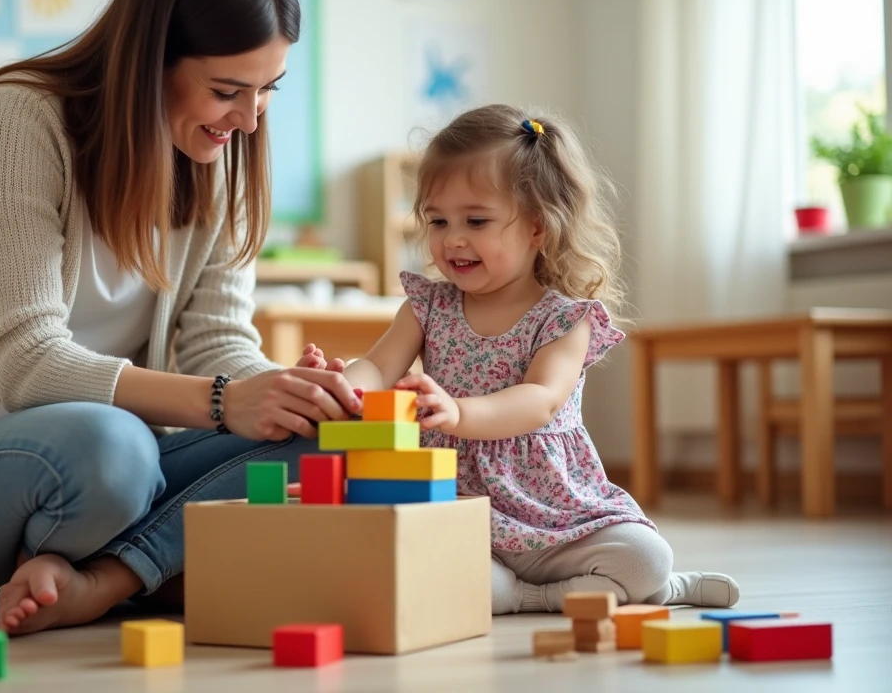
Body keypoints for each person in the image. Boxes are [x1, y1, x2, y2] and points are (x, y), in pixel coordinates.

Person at [0, 0, 360, 635]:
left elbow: (218, 342)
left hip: (130, 471)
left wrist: (283, 394)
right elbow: (27, 363)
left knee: (326, 439)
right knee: (112, 448)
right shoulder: (18, 119)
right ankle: (160, 570)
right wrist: (228, 401)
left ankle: (98, 580)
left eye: (268, 89)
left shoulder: (219, 159)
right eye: (227, 90)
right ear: (152, 58)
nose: (250, 120)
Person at [303, 105, 740, 614]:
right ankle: (534, 596)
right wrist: (345, 383)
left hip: (554, 515)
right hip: (460, 509)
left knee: (646, 558)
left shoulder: (564, 317)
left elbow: (540, 399)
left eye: (476, 221)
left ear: (537, 226)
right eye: (438, 220)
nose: (453, 238)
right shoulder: (427, 305)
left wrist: (460, 411)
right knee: (402, 567)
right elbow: (379, 366)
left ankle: (657, 588)